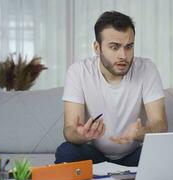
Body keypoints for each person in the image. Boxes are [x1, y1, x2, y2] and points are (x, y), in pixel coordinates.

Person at [55, 11, 167, 166]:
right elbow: (69, 130)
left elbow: (160, 125)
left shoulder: (147, 69)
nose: (123, 55)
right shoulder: (79, 71)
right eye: (114, 47)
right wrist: (82, 135)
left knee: (162, 151)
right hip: (95, 155)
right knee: (66, 151)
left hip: (133, 155)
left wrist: (139, 133)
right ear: (97, 47)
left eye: (129, 47)